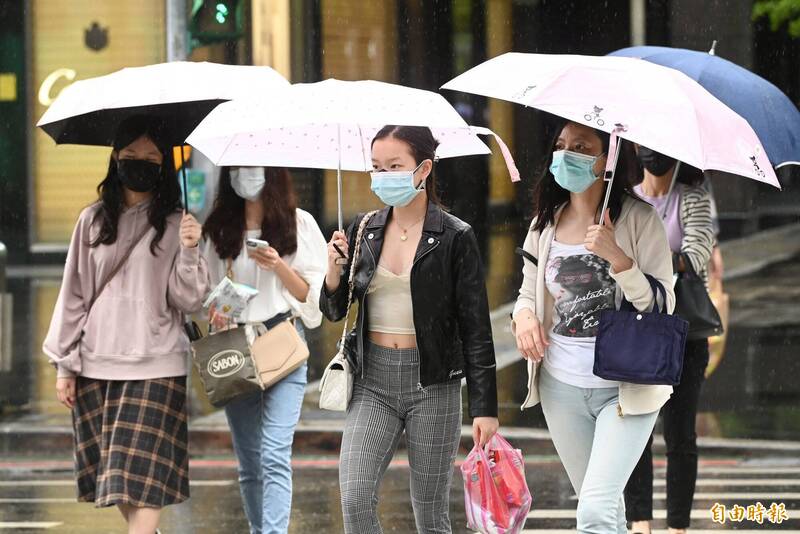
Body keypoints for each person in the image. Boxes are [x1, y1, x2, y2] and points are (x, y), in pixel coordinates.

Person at [320, 125, 499, 534]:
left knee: (430, 514)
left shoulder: (455, 236)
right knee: (354, 496)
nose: (383, 176)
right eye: (376, 167)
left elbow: (476, 327)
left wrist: (485, 408)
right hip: (372, 380)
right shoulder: (363, 229)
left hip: (433, 383)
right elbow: (334, 310)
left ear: (424, 169)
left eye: (394, 166)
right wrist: (333, 273)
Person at [43, 115, 209, 534]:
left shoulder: (178, 224)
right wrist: (65, 364)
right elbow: (73, 295)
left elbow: (189, 300)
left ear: (164, 164)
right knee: (115, 479)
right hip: (96, 364)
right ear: (115, 158)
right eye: (131, 155)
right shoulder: (92, 221)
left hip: (157, 364)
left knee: (145, 480)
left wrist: (190, 250)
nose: (139, 163)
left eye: (151, 157)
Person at [512, 121, 675, 534]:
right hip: (560, 387)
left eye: (581, 147)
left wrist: (618, 259)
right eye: (561, 145)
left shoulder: (640, 220)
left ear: (607, 160)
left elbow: (662, 306)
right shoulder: (544, 225)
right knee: (606, 512)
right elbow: (527, 293)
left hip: (625, 387)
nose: (566, 154)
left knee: (594, 513)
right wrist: (524, 316)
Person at [202, 166, 327, 534]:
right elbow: (205, 293)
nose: (247, 174)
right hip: (235, 349)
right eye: (239, 168)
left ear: (272, 171)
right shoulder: (219, 227)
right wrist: (217, 312)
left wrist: (277, 265)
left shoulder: (298, 223)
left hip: (282, 343)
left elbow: (311, 296)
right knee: (250, 462)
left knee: (274, 454)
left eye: (254, 166)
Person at [624, 148, 716, 534]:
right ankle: (639, 522)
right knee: (635, 431)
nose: (651, 154)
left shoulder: (693, 197)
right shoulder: (625, 199)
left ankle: (678, 526)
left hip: (685, 333)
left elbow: (696, 256)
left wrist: (641, 260)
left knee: (680, 434)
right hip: (638, 332)